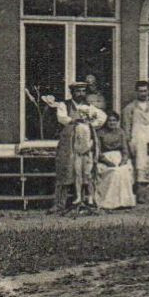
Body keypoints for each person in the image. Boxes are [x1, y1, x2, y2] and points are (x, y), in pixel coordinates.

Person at [44, 81, 100, 213]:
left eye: (83, 91)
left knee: (85, 171)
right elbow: (61, 118)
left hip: (84, 142)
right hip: (68, 142)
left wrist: (91, 123)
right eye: (78, 91)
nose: (80, 94)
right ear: (72, 92)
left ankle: (87, 201)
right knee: (66, 170)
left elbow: (100, 118)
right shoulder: (65, 105)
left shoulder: (89, 107)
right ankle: (59, 204)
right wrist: (74, 120)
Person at [90, 105, 136, 211]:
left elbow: (125, 149)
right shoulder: (100, 133)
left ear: (117, 122)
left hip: (119, 157)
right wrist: (107, 162)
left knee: (123, 171)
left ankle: (125, 202)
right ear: (106, 122)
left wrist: (123, 160)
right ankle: (110, 202)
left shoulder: (121, 132)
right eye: (110, 121)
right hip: (105, 159)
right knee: (114, 172)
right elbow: (98, 151)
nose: (112, 123)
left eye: (114, 121)